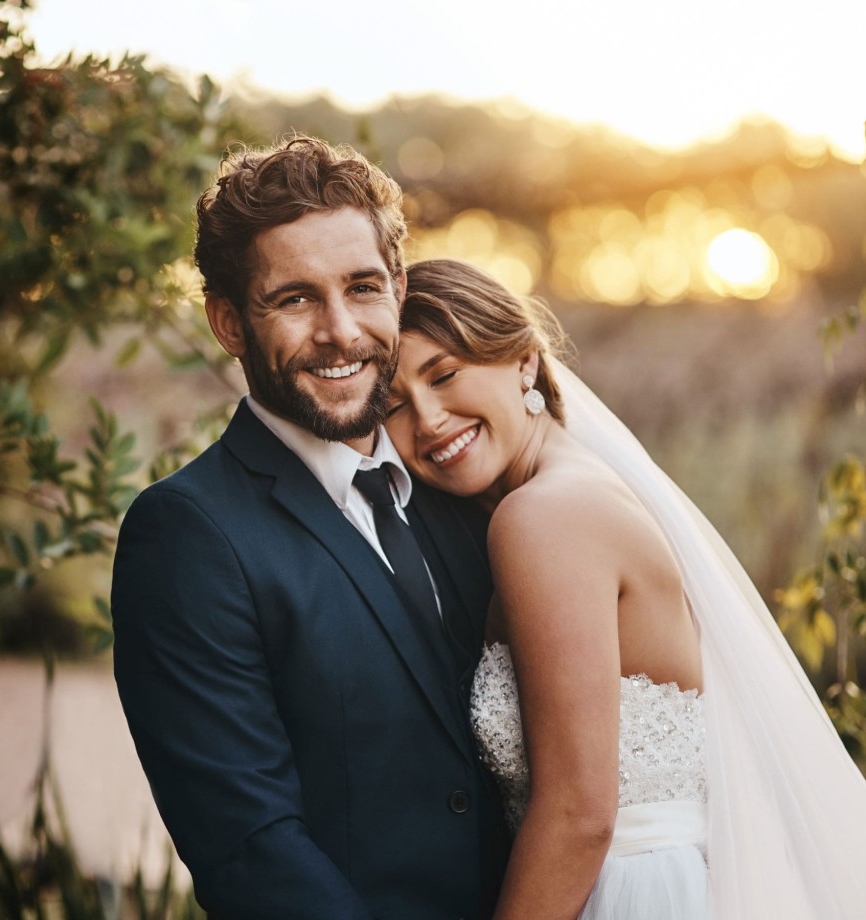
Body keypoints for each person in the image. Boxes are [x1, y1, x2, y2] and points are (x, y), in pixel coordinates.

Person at [385, 257, 866, 920]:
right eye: (394, 405)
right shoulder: (580, 487)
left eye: (444, 376)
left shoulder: (542, 518)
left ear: (524, 361)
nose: (429, 418)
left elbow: (579, 815)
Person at [111, 139, 510, 919]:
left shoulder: (461, 485)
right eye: (294, 299)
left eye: (362, 288)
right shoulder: (188, 537)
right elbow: (252, 848)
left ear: (397, 288)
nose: (339, 331)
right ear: (229, 323)